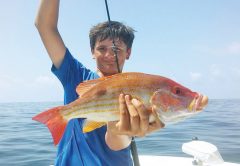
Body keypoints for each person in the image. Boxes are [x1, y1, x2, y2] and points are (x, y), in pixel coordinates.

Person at [35, 0, 164, 165]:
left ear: (128, 52)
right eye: (102, 49)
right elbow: (44, 26)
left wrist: (121, 131)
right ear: (92, 52)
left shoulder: (136, 88)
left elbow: (117, 142)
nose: (109, 55)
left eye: (116, 49)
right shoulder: (76, 75)